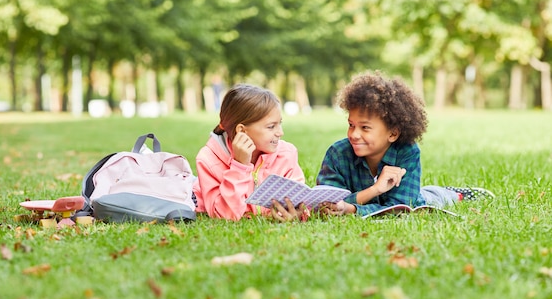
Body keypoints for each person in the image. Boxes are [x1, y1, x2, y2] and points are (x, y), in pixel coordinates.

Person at [317, 71, 495, 217]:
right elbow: (325, 203)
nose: (354, 134)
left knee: (429, 198)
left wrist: (353, 209)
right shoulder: (337, 154)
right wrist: (375, 190)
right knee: (422, 192)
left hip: (417, 198)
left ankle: (456, 194)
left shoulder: (407, 152)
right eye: (351, 125)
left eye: (365, 127)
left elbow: (402, 208)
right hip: (378, 195)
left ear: (393, 133)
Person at [193, 83, 308, 221]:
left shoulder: (286, 154)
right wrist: (239, 166)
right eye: (271, 127)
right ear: (242, 130)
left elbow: (301, 202)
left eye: (280, 124)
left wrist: (298, 213)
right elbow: (225, 216)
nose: (280, 133)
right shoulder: (208, 160)